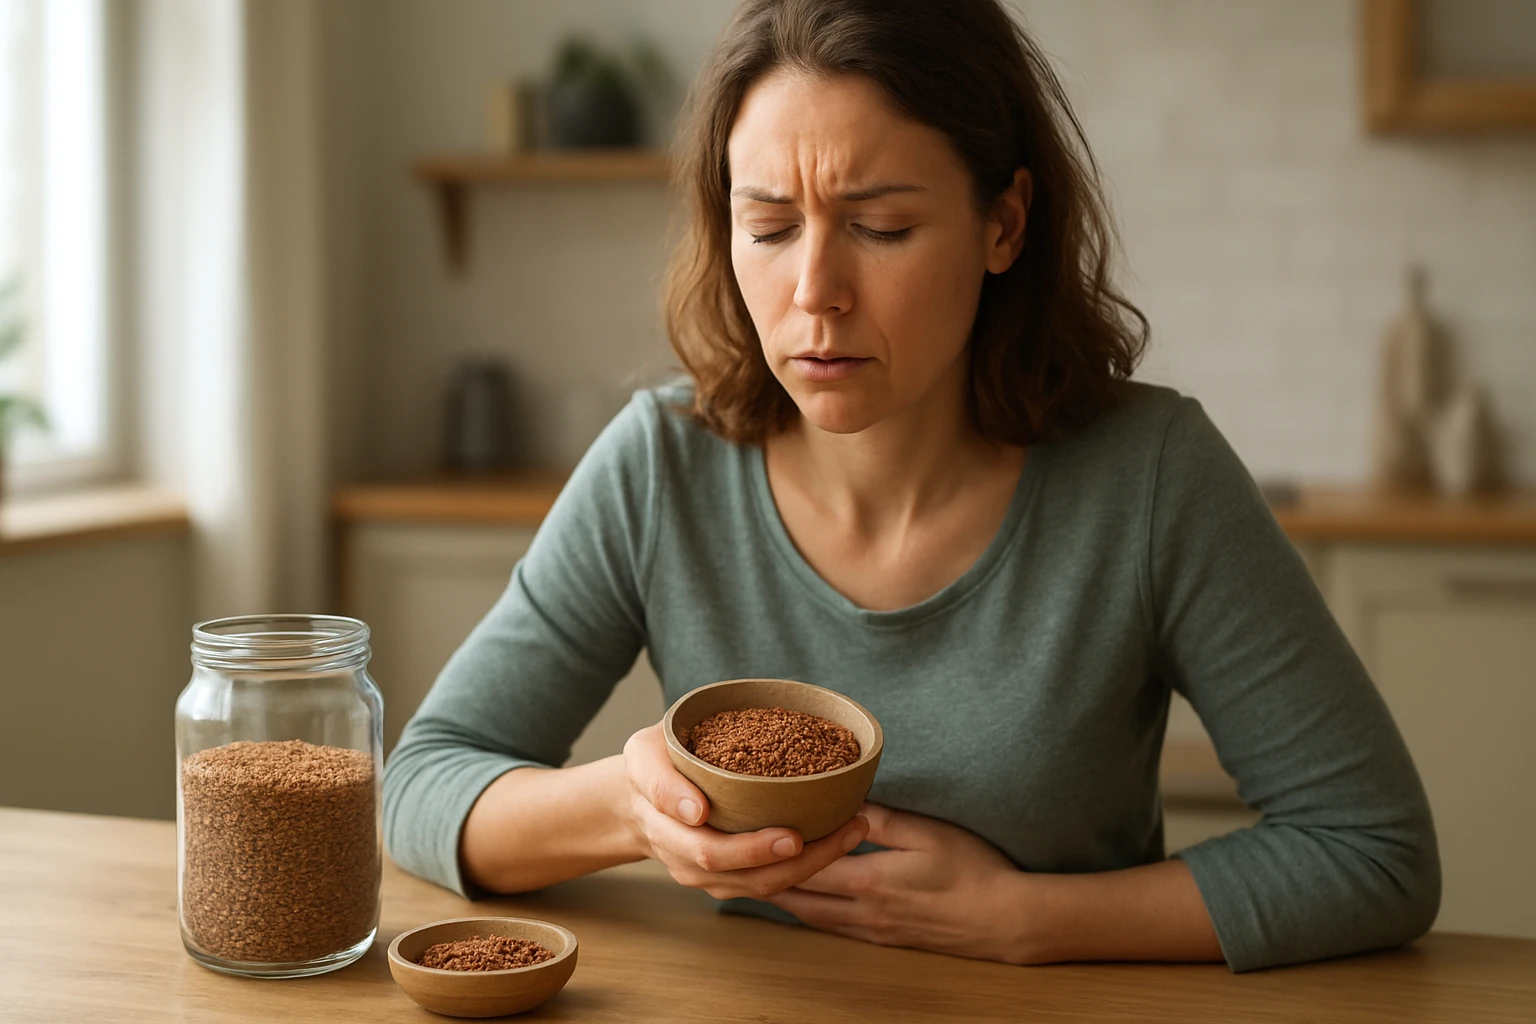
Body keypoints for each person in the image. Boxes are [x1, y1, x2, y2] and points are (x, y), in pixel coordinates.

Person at [384, 0, 1439, 972]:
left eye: (881, 227)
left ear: (1004, 226)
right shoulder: (662, 465)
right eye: (768, 226)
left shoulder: (1152, 477)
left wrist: (1029, 919)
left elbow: (1375, 853)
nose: (815, 294)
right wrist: (635, 808)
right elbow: (421, 783)